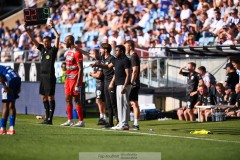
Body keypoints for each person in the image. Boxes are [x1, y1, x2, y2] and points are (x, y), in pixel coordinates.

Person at [25, 20, 60, 125]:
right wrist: (27, 30)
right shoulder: (42, 49)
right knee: (43, 97)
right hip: (42, 76)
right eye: (44, 42)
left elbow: (58, 37)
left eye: (47, 42)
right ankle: (47, 118)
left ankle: (50, 119)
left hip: (49, 76)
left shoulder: (53, 50)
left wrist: (53, 27)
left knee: (50, 97)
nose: (45, 43)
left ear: (50, 42)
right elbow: (32, 39)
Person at [92, 45, 131, 130]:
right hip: (118, 84)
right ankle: (120, 123)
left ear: (122, 52)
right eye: (115, 50)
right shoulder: (116, 60)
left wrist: (125, 86)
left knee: (124, 104)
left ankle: (125, 123)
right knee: (119, 104)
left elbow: (128, 74)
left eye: (117, 50)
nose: (115, 52)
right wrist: (97, 65)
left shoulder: (126, 60)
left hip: (123, 84)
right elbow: (107, 66)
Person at [61, 35, 84, 127]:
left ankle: (81, 121)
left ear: (70, 41)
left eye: (65, 41)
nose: (64, 42)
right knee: (67, 98)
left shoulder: (77, 53)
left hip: (75, 79)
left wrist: (78, 84)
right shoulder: (68, 52)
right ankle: (70, 120)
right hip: (68, 79)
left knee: (76, 99)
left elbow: (81, 69)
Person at [0, 65, 21, 135]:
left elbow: (0, 76)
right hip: (17, 78)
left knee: (5, 104)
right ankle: (11, 128)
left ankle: (2, 128)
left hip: (9, 80)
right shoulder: (4, 67)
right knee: (12, 104)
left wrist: (5, 86)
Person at [125, 40, 140, 130]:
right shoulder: (131, 56)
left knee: (134, 103)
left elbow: (135, 71)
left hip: (133, 83)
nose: (125, 48)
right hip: (132, 82)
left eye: (126, 46)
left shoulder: (134, 56)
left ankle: (136, 124)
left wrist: (131, 82)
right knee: (131, 103)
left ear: (130, 47)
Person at [89, 49, 107, 125]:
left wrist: (91, 74)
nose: (90, 55)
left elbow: (98, 75)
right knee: (99, 101)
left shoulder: (99, 62)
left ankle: (103, 117)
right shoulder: (96, 63)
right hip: (98, 84)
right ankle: (103, 117)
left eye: (92, 53)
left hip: (101, 84)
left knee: (99, 100)